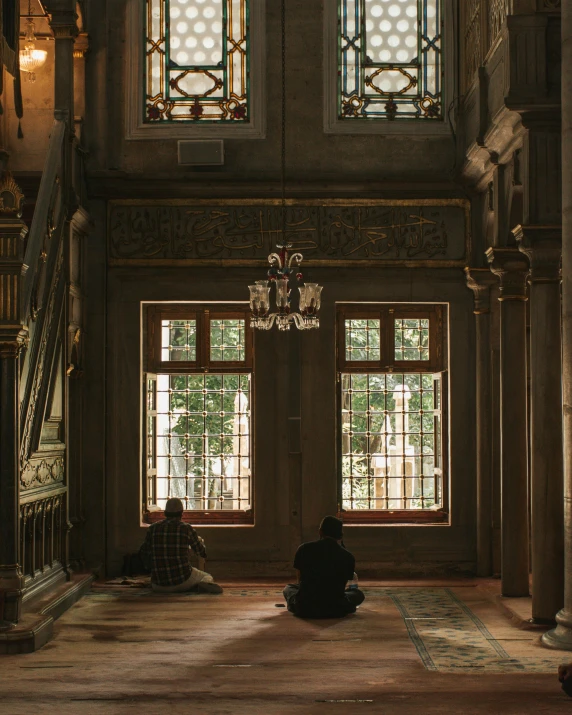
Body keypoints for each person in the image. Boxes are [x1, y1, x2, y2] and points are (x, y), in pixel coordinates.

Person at [283, 515, 365, 618]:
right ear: (340, 536)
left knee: (289, 588)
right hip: (335, 608)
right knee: (357, 594)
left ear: (320, 531)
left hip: (305, 607)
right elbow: (342, 585)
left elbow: (300, 578)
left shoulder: (304, 549)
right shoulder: (348, 556)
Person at [140, 497, 223, 594]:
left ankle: (189, 586)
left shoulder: (153, 528)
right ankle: (195, 586)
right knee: (207, 576)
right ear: (181, 513)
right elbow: (202, 552)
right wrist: (198, 542)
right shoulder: (186, 528)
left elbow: (143, 552)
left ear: (165, 513)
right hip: (182, 581)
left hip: (158, 585)